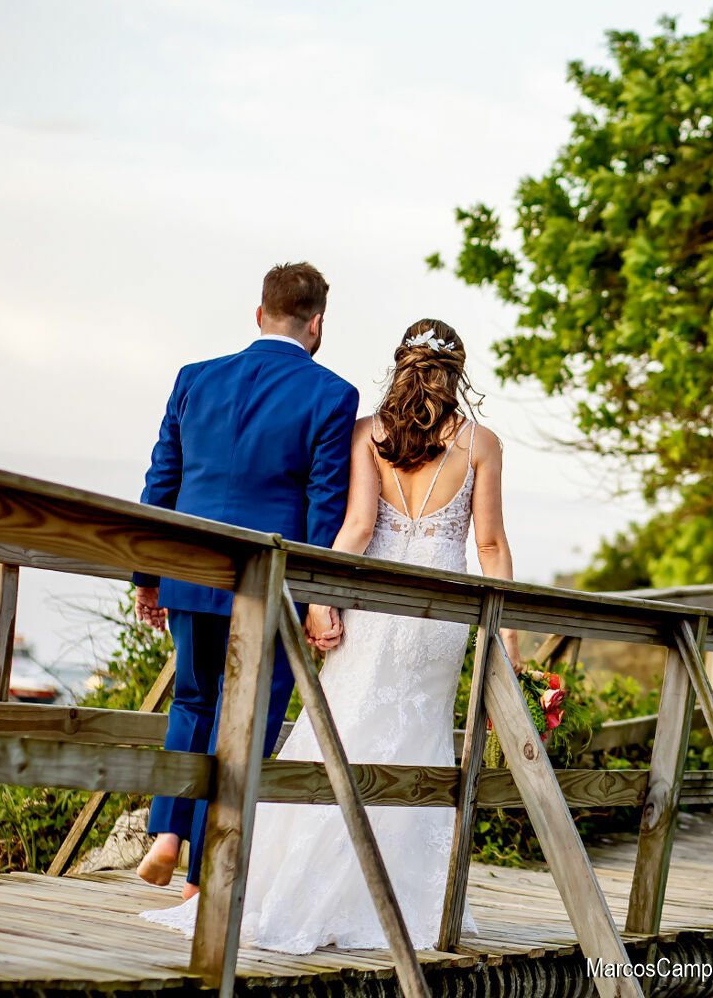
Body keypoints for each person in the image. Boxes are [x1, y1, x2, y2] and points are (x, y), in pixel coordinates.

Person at [141, 317, 520, 953]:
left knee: (337, 731)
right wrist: (505, 641)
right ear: (457, 374)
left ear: (400, 366)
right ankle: (398, 900)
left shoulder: (369, 433)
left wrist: (322, 601)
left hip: (373, 605)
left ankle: (286, 883)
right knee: (419, 740)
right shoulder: (482, 444)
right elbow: (489, 545)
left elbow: (356, 530)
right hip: (442, 616)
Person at [132, 261, 359, 901]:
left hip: (191, 574)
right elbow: (324, 508)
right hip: (271, 583)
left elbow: (161, 487)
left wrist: (147, 574)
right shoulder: (332, 395)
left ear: (259, 315)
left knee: (193, 702)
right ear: (317, 325)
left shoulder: (194, 379)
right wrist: (318, 601)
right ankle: (206, 876)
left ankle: (167, 836)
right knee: (251, 719)